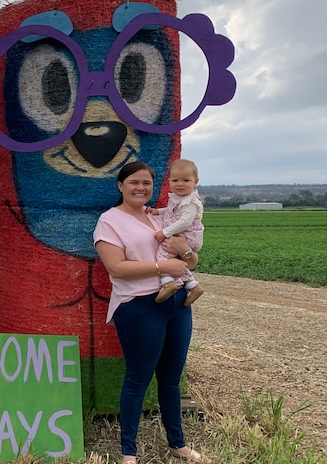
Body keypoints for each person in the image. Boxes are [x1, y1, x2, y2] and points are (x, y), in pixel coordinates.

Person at [93, 161, 206, 464]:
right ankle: (129, 452)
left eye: (147, 183)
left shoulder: (162, 217)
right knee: (138, 379)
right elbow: (116, 267)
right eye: (134, 182)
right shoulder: (109, 221)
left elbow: (190, 261)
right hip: (139, 306)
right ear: (121, 186)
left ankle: (177, 444)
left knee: (171, 379)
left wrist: (184, 252)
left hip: (178, 303)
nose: (141, 188)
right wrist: (161, 267)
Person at [148, 159, 205, 305]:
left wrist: (165, 232)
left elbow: (185, 222)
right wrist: (158, 211)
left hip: (188, 236)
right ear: (169, 181)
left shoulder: (191, 202)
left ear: (195, 181)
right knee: (177, 261)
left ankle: (168, 283)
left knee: (162, 255)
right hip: (184, 236)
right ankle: (193, 286)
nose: (180, 184)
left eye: (186, 180)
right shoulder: (179, 199)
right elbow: (172, 211)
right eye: (175, 180)